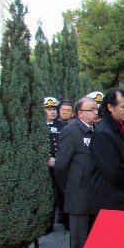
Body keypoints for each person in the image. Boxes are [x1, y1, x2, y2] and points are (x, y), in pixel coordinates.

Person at [54, 97, 98, 248]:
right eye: (91, 110)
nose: (95, 112)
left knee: (93, 237)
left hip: (93, 192)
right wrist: (69, 187)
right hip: (78, 194)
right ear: (80, 113)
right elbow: (61, 166)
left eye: (96, 109)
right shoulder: (71, 131)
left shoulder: (94, 129)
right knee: (79, 239)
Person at [89, 88, 124, 212]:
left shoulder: (122, 126)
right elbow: (114, 170)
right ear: (110, 107)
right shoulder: (103, 133)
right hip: (113, 200)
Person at [45, 97, 69, 232]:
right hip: (45, 166)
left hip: (60, 165)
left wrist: (59, 159)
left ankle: (66, 221)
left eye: (54, 109)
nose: (53, 112)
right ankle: (48, 224)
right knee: (48, 196)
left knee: (62, 194)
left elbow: (66, 146)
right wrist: (46, 158)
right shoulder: (38, 126)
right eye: (49, 109)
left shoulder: (63, 126)